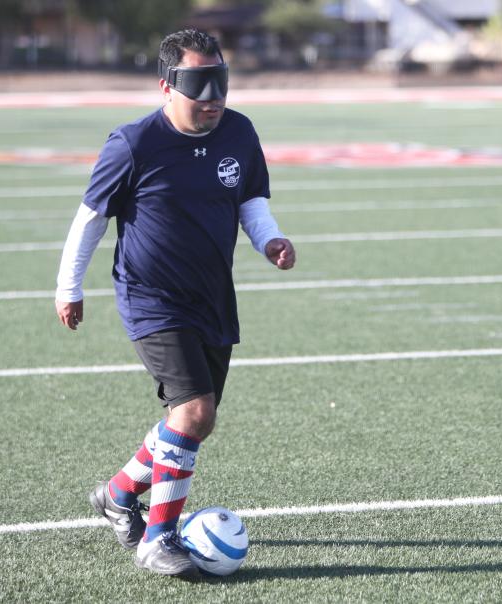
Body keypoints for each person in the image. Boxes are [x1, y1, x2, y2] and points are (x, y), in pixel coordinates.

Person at [54, 29, 295, 578]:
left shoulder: (239, 132)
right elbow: (90, 218)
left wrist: (270, 240)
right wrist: (70, 286)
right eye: (197, 84)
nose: (212, 97)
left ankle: (117, 496)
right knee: (194, 412)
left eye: (221, 82)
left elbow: (251, 200)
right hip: (151, 297)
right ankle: (157, 540)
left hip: (212, 294)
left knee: (193, 423)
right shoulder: (134, 143)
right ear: (166, 86)